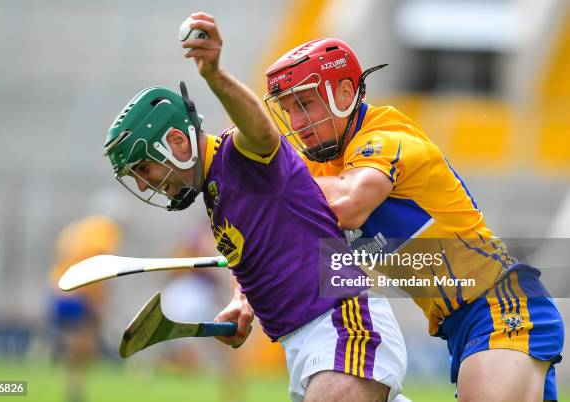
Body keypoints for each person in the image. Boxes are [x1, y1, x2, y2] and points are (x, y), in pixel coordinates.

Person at [102, 13, 408, 402]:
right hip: (305, 346)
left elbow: (262, 130)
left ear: (178, 142)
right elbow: (250, 257)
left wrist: (214, 75)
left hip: (344, 326)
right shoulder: (216, 196)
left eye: (144, 168)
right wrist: (240, 301)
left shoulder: (240, 154)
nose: (145, 184)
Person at [261, 38, 564, 401]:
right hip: (460, 326)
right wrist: (242, 297)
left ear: (343, 92)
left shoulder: (385, 138)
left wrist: (273, 179)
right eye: (287, 109)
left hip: (502, 306)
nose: (297, 123)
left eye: (305, 104)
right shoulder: (321, 166)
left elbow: (349, 205)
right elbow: (269, 237)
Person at [48, 216, 122, 402]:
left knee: (76, 344)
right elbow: (99, 263)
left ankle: (74, 386)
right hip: (80, 292)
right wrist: (99, 300)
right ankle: (75, 389)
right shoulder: (105, 230)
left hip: (59, 288)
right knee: (84, 344)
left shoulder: (75, 228)